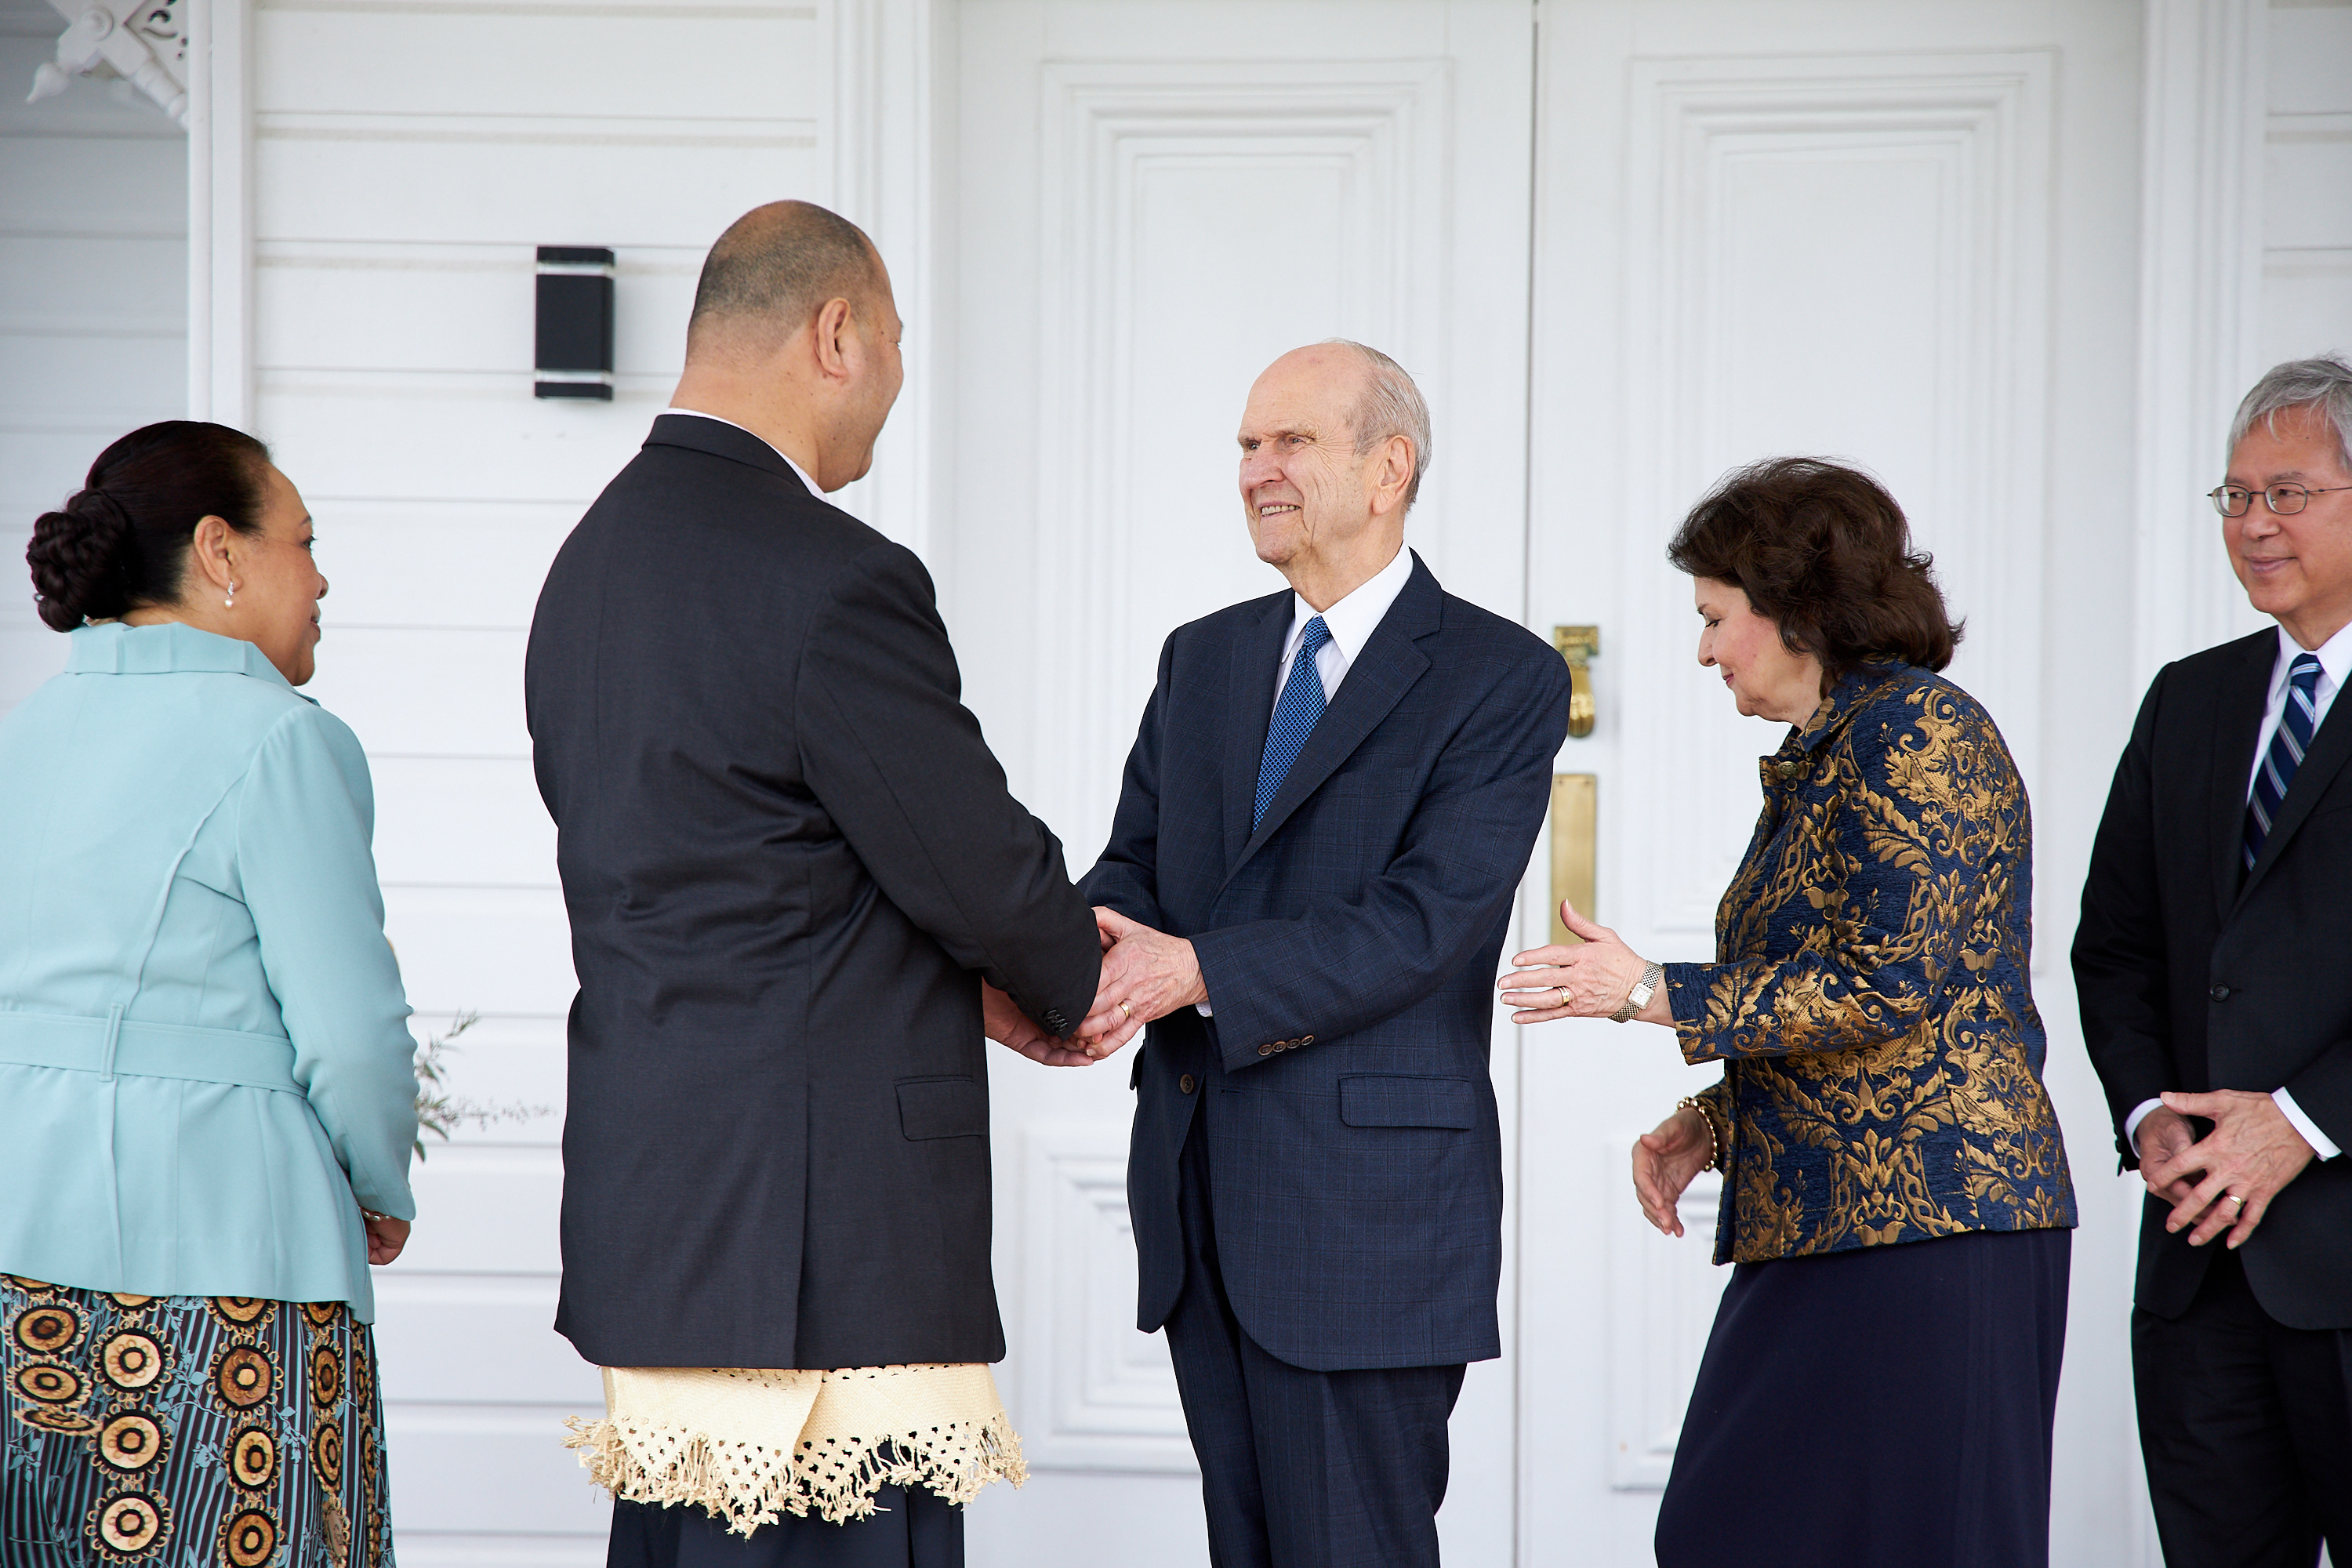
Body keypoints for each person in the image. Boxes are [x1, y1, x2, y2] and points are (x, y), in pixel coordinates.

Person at [525, 201, 1105, 1566]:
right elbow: (968, 862)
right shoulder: (833, 578)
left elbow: (746, 865)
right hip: (816, 1224)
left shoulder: (587, 565)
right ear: (835, 334)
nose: (897, 380)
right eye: (896, 342)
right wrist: (1073, 974)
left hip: (658, 1189)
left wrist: (961, 979)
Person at [1499, 458, 2077, 1567]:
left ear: (1797, 609)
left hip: (1935, 1222)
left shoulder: (1916, 731)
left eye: (1715, 618)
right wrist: (1716, 1123)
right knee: (1729, 1530)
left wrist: (1648, 991)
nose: (1704, 651)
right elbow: (1857, 997)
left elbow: (1890, 980)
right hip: (1837, 1219)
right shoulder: (1837, 744)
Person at [1073, 341, 1572, 1568]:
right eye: (1247, 446)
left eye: (1290, 442)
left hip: (1365, 1226)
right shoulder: (1203, 657)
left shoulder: (1501, 676)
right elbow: (1134, 868)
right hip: (1198, 1195)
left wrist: (1199, 972)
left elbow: (1427, 919)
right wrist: (1067, 957)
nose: (1257, 470)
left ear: (1389, 468)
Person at [0, 421, 418, 1566]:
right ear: (220, 551)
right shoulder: (281, 741)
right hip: (227, 1273)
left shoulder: (25, 735)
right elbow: (352, 1033)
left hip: (20, 1263)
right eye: (305, 542)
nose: (321, 579)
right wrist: (379, 1184)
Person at [2073, 354, 2352, 1567]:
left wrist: (2298, 1121)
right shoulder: (2187, 701)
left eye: (2287, 494)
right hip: (2197, 1270)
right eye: (2236, 497)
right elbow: (2114, 946)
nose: (2254, 524)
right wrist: (2148, 1115)